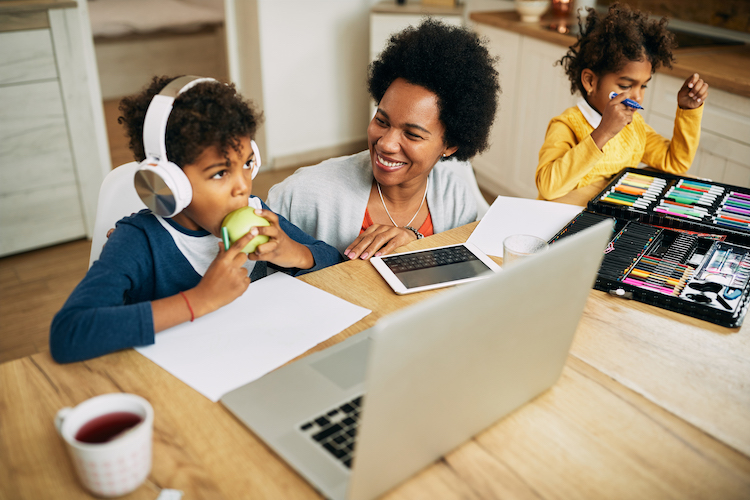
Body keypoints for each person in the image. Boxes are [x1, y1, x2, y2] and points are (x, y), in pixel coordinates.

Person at [50, 76, 342, 363]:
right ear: (168, 183)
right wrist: (201, 300)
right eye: (219, 173)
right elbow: (69, 333)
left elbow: (339, 266)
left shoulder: (258, 215)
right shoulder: (138, 241)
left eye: (247, 164)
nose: (243, 185)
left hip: (249, 361)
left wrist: (294, 252)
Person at [267, 19, 500, 259]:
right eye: (382, 121)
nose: (386, 144)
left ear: (449, 145)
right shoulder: (304, 193)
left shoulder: (456, 199)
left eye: (412, 134)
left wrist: (415, 240)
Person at [535, 3, 709, 201]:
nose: (637, 97)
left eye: (643, 86)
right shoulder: (566, 125)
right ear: (590, 81)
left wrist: (687, 110)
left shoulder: (635, 128)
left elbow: (675, 163)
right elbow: (548, 187)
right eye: (626, 85)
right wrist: (602, 133)